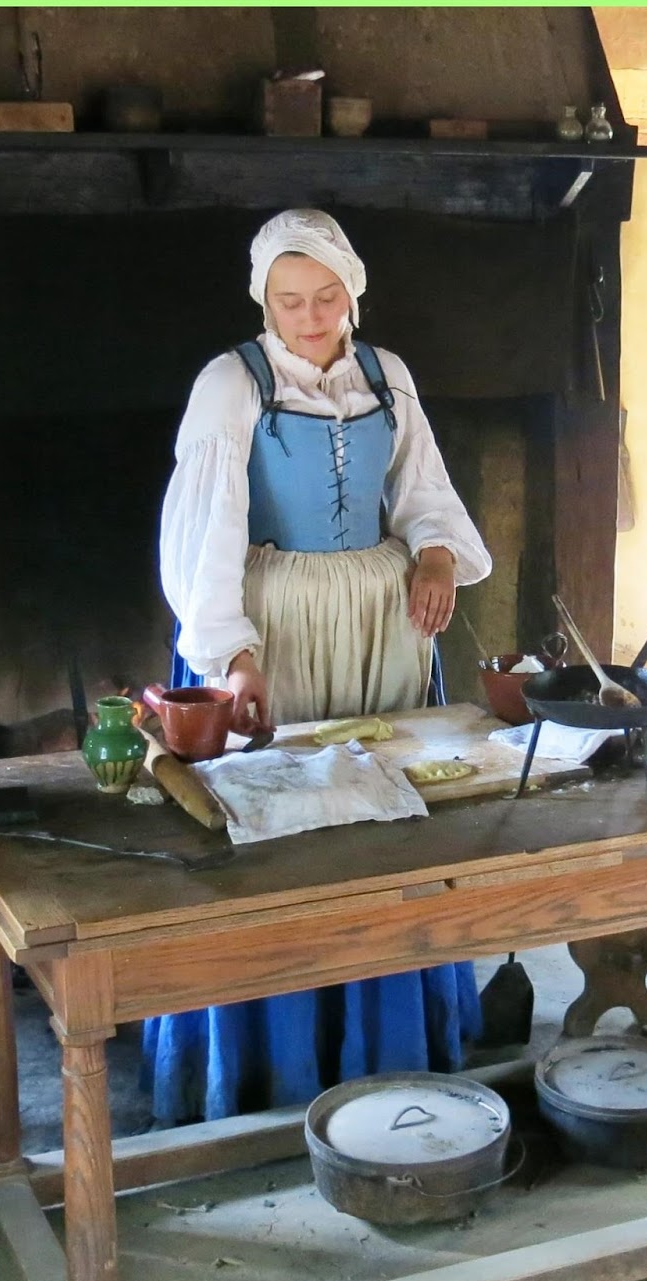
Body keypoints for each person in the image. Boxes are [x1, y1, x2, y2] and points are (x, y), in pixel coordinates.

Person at [151, 209, 494, 1124]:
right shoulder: (231, 386)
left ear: (354, 291)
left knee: (389, 813)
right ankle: (278, 1061)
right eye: (290, 299)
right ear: (264, 298)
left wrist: (433, 556)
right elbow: (205, 532)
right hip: (278, 622)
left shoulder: (389, 378)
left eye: (327, 296)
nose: (310, 316)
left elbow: (424, 493)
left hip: (380, 624)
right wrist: (233, 656)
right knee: (284, 821)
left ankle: (390, 1042)